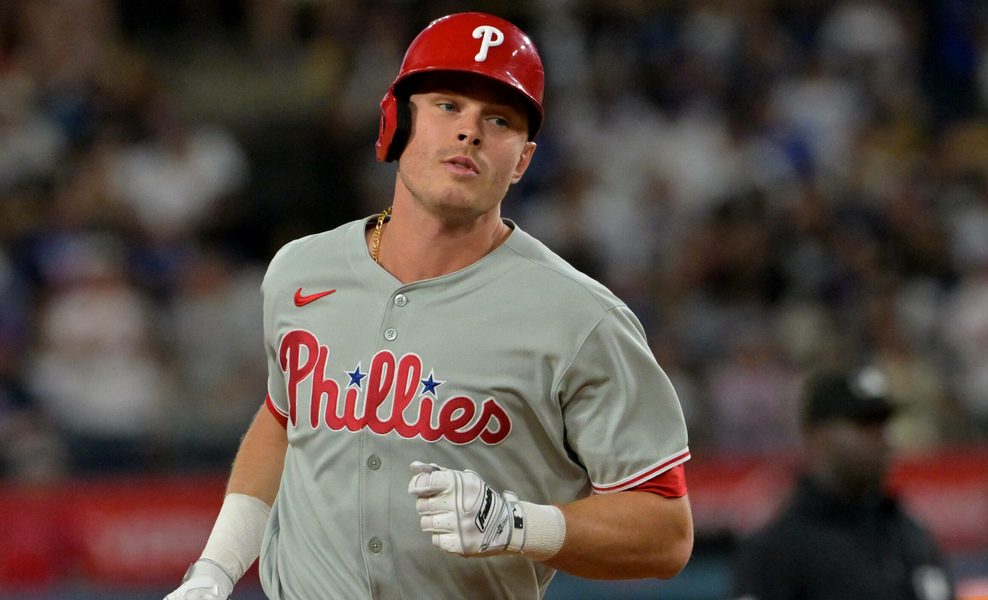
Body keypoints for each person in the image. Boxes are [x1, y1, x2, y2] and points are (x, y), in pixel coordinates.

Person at [166, 12, 693, 600]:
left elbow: (666, 532)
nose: (470, 132)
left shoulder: (582, 317)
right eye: (448, 106)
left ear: (522, 160)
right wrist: (216, 568)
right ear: (396, 122)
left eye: (499, 119)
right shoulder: (301, 269)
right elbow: (285, 421)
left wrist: (521, 525)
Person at [731, 366, 956, 600]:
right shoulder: (776, 551)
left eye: (884, 425)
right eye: (865, 425)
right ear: (818, 436)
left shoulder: (910, 535)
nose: (884, 440)